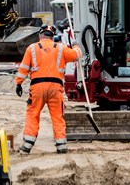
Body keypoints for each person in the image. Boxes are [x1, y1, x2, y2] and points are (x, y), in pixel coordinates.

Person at [15, 24, 82, 154]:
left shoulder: (32, 48)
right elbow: (76, 55)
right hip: (55, 88)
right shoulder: (61, 48)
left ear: (40, 35)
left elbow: (23, 68)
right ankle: (61, 146)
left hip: (37, 87)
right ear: (52, 37)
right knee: (57, 116)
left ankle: (27, 145)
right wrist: (75, 45)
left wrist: (18, 83)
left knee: (33, 114)